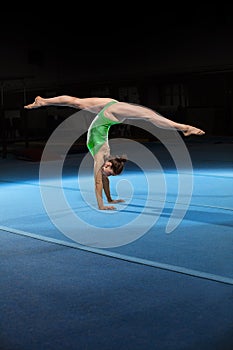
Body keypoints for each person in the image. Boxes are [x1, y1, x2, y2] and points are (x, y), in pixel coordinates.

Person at [24, 95, 205, 210]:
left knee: (75, 102)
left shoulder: (102, 159)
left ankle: (43, 102)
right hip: (110, 113)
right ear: (109, 164)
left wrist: (109, 200)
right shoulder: (101, 156)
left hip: (108, 111)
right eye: (108, 172)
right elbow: (98, 182)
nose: (105, 174)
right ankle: (184, 128)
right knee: (148, 116)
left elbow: (102, 181)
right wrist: (101, 205)